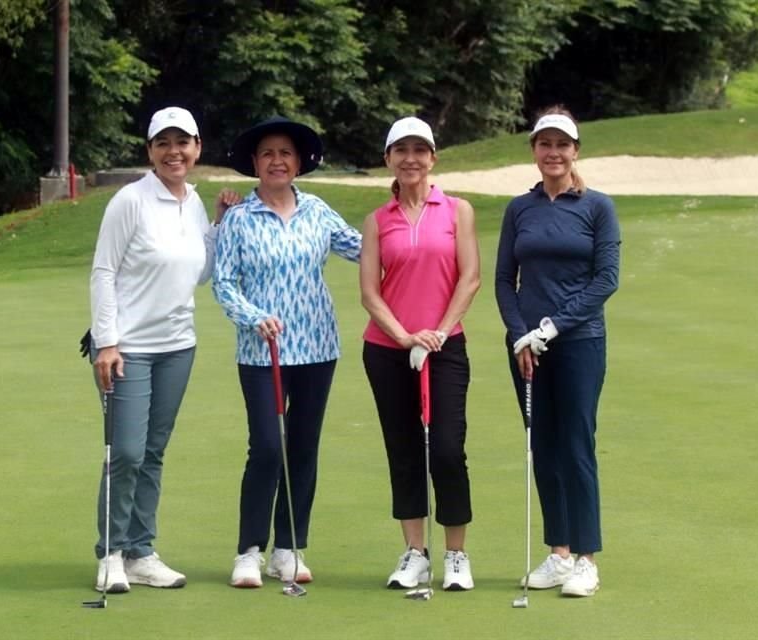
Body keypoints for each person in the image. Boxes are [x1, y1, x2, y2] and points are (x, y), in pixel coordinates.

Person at [87, 106, 239, 593]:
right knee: (126, 451)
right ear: (150, 150)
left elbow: (198, 271)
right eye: (164, 143)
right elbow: (103, 272)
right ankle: (110, 553)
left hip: (178, 346)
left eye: (184, 142)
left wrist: (216, 225)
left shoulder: (192, 202)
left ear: (198, 148)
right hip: (127, 348)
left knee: (153, 452)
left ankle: (140, 551)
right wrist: (106, 341)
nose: (175, 152)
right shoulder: (130, 201)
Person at [212, 116, 362, 588]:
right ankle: (249, 550)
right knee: (267, 448)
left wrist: (406, 225)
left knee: (303, 448)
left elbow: (365, 250)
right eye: (268, 154)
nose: (277, 161)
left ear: (299, 162)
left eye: (286, 153)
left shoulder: (318, 210)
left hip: (318, 347)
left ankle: (287, 548)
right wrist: (254, 317)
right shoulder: (238, 218)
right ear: (255, 163)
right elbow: (223, 282)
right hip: (262, 350)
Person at [495, 106, 620, 598]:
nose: (553, 152)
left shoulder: (596, 207)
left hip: (579, 343)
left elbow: (605, 280)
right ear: (534, 150)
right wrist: (520, 333)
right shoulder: (518, 209)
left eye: (562, 145)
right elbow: (506, 279)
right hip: (526, 346)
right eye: (544, 144)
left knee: (575, 445)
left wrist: (552, 327)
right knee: (542, 445)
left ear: (575, 151)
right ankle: (559, 553)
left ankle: (587, 559)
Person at [359, 117, 481, 592]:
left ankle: (456, 555)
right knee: (404, 450)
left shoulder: (457, 210)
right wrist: (407, 337)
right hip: (387, 350)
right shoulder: (376, 220)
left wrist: (438, 333)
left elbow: (469, 278)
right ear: (389, 158)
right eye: (401, 150)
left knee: (448, 451)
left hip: (446, 348)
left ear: (433, 157)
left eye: (420, 150)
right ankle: (415, 552)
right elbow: (370, 293)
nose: (411, 158)